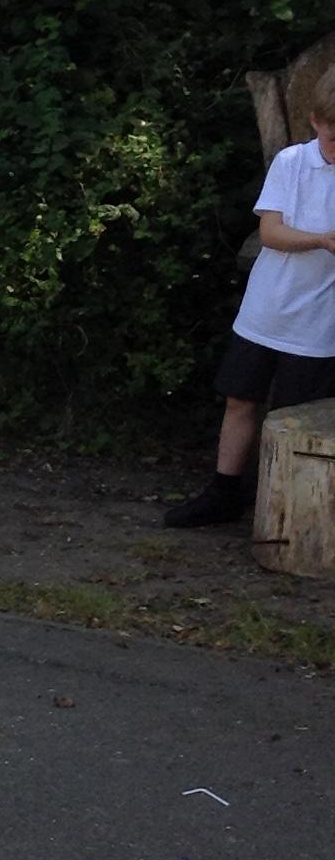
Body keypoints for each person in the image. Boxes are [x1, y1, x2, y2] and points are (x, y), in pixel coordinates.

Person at [165, 76, 335, 525]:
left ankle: (284, 513)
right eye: (333, 137)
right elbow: (270, 232)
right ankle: (222, 493)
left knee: (296, 420)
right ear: (315, 121)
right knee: (239, 400)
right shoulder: (291, 162)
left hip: (319, 323)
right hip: (266, 309)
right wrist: (322, 240)